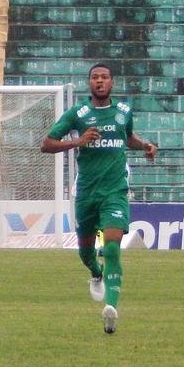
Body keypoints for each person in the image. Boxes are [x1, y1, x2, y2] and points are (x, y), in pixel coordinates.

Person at [40, 63, 157, 334]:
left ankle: (111, 309)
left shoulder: (124, 111)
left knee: (114, 247)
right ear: (89, 83)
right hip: (86, 193)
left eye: (104, 77)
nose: (100, 81)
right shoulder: (78, 114)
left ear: (112, 82)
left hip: (115, 191)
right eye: (95, 78)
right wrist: (77, 142)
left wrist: (145, 146)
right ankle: (95, 272)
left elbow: (127, 138)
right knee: (85, 251)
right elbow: (46, 144)